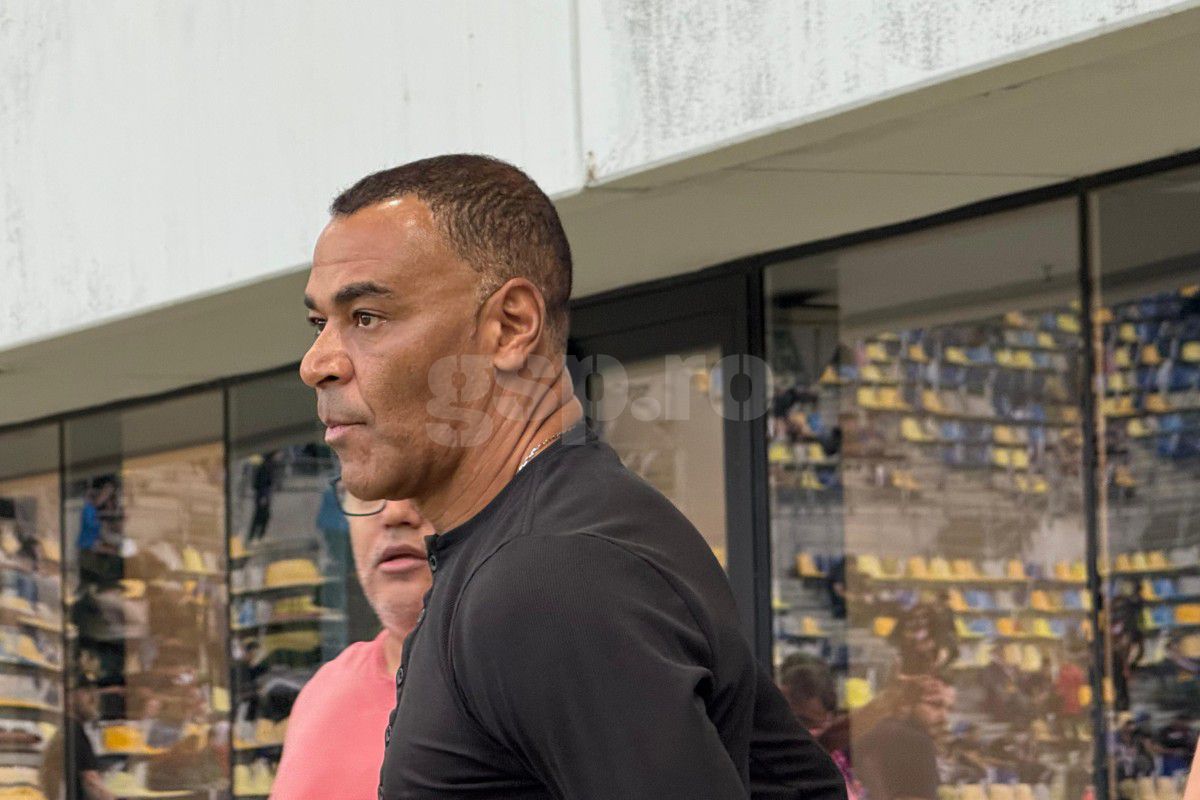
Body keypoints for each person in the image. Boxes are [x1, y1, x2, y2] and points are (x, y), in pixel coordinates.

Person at [300, 154, 845, 799]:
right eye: (319, 324)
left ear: (511, 326)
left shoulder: (549, 575)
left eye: (366, 317)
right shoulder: (558, 542)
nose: (317, 363)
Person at [271, 498, 434, 799]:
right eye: (368, 491)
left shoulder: (517, 688)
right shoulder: (322, 693)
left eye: (422, 482)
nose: (395, 512)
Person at [852, 675, 953, 800]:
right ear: (907, 703)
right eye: (935, 705)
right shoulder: (915, 741)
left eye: (949, 709)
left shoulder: (882, 730)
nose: (944, 717)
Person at [40, 681, 116, 800]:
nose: (94, 698)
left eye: (94, 691)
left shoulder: (67, 730)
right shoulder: (74, 732)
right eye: (87, 691)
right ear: (69, 698)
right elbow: (92, 783)